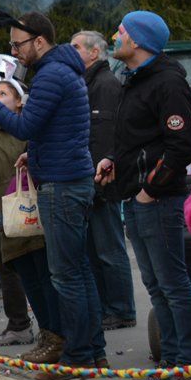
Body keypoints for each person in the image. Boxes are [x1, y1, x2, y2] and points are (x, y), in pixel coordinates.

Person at [0, 11, 105, 380]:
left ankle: (79, 357)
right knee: (79, 272)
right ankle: (93, 353)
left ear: (39, 41)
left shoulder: (51, 74)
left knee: (67, 277)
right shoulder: (61, 70)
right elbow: (54, 128)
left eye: (18, 44)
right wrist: (35, 153)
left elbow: (24, 125)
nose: (14, 51)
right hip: (68, 178)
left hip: (62, 185)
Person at [97, 11, 191, 380]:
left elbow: (180, 147)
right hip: (136, 196)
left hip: (157, 200)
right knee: (157, 286)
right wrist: (114, 160)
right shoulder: (134, 79)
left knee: (173, 284)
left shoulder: (168, 82)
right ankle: (170, 363)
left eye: (121, 31)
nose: (114, 36)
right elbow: (137, 138)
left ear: (138, 41)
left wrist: (150, 189)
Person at [0, 79, 64, 362]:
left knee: (46, 277)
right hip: (11, 214)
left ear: (19, 102)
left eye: (3, 94)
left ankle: (57, 335)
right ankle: (45, 335)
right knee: (28, 279)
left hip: (38, 209)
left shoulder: (29, 127)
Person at [70, 30, 137, 329]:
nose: (70, 51)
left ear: (94, 52)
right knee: (95, 251)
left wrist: (99, 178)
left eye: (75, 47)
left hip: (103, 182)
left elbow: (107, 136)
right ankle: (106, 307)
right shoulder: (86, 83)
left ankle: (121, 310)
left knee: (109, 249)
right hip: (89, 180)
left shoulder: (106, 84)